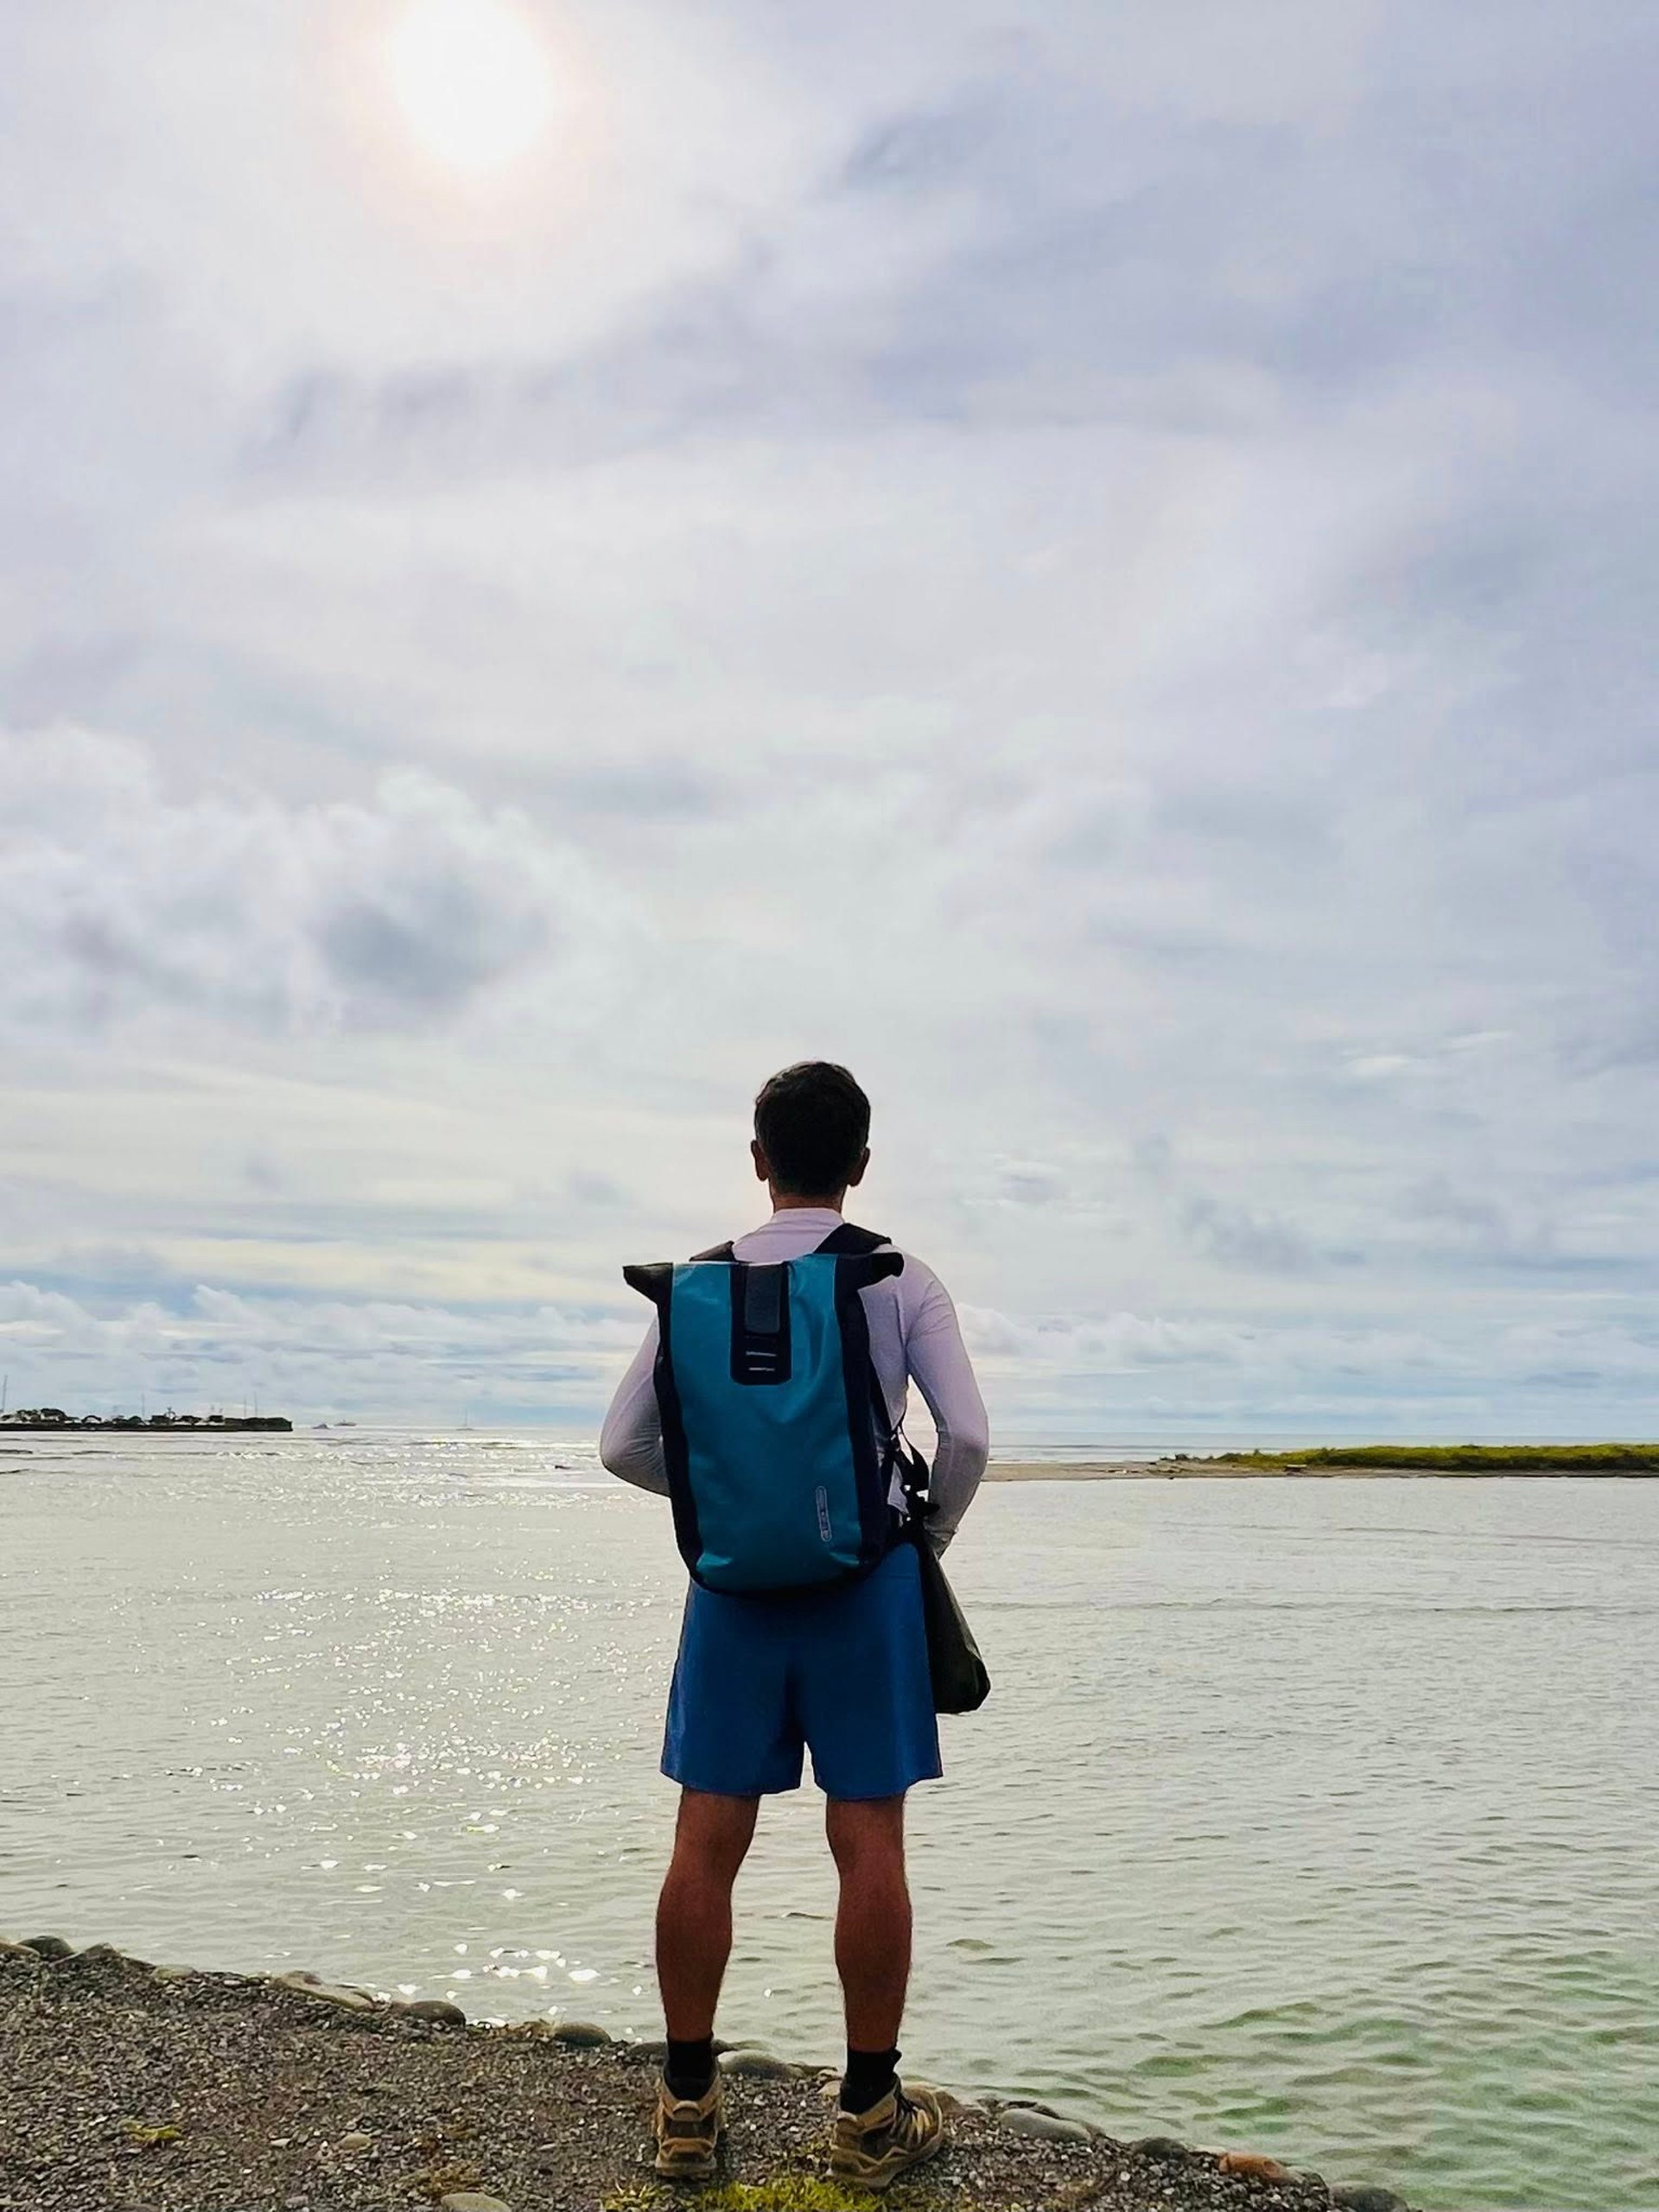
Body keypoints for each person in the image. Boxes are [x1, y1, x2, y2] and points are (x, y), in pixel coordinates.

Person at [600, 1060, 990, 2188]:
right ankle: (869, 2116)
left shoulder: (699, 1285)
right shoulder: (899, 1279)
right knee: (866, 1843)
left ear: (759, 1160)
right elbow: (963, 1437)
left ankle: (686, 2105)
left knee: (703, 1843)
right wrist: (926, 1537)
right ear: (862, 1165)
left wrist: (731, 1500)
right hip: (863, 1591)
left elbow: (623, 1447)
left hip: (730, 1595)